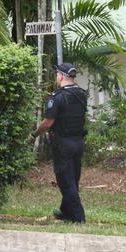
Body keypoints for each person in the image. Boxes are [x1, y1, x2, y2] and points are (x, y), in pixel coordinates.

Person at [31, 63, 87, 223]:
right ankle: (66, 211)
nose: (56, 77)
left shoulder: (58, 97)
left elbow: (48, 123)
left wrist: (34, 134)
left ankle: (79, 217)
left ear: (61, 76)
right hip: (78, 142)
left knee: (65, 181)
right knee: (73, 179)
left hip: (63, 144)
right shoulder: (81, 94)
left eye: (57, 75)